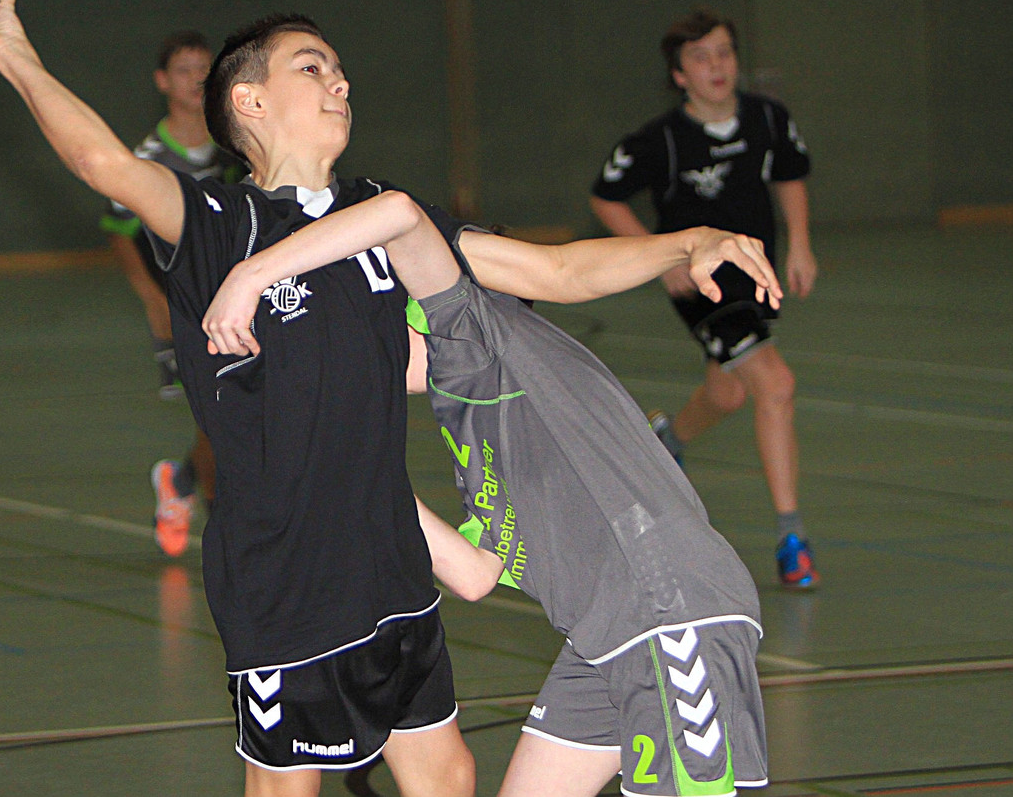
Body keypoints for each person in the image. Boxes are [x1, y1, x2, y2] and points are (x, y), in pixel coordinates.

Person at [0, 0, 779, 797]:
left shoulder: (383, 214)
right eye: (310, 67)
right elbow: (100, 161)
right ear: (248, 101)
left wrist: (687, 241)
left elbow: (555, 271)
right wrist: (12, 52)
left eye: (339, 69)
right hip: (287, 579)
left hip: (391, 567)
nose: (339, 81)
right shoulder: (220, 225)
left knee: (448, 776)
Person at [201, 189, 778, 797]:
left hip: (668, 613)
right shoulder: (480, 423)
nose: (368, 346)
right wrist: (331, 460)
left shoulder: (474, 337)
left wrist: (252, 274)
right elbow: (475, 574)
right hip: (602, 640)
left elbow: (401, 217)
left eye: (379, 323)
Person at [589, 8, 820, 590]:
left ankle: (669, 441)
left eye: (724, 53)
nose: (716, 66)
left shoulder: (767, 118)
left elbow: (789, 175)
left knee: (730, 389)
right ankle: (792, 540)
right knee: (776, 384)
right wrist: (658, 259)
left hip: (757, 273)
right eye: (700, 57)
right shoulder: (660, 141)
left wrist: (800, 243)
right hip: (705, 286)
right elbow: (606, 197)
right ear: (679, 75)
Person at [99, 31, 242, 556]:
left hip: (233, 295)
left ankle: (180, 482)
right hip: (183, 305)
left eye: (205, 68)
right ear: (162, 81)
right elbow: (118, 233)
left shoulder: (236, 145)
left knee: (232, 410)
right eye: (184, 70)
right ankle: (218, 518)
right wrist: (151, 298)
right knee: (219, 414)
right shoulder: (150, 158)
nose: (197, 79)